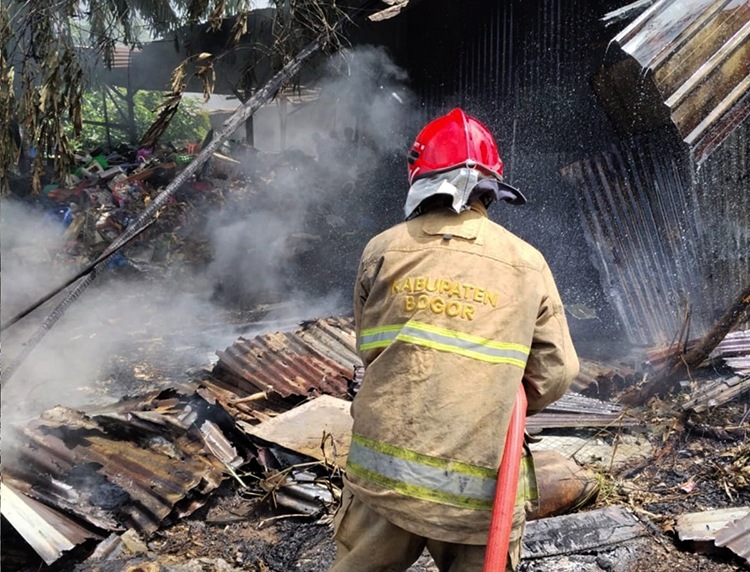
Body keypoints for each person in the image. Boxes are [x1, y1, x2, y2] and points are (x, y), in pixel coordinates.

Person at [330, 109, 579, 572]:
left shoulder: (382, 250)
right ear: (492, 185)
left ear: (420, 177)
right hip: (482, 493)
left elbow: (372, 349)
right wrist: (492, 396)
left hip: (385, 482)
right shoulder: (528, 263)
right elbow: (558, 371)